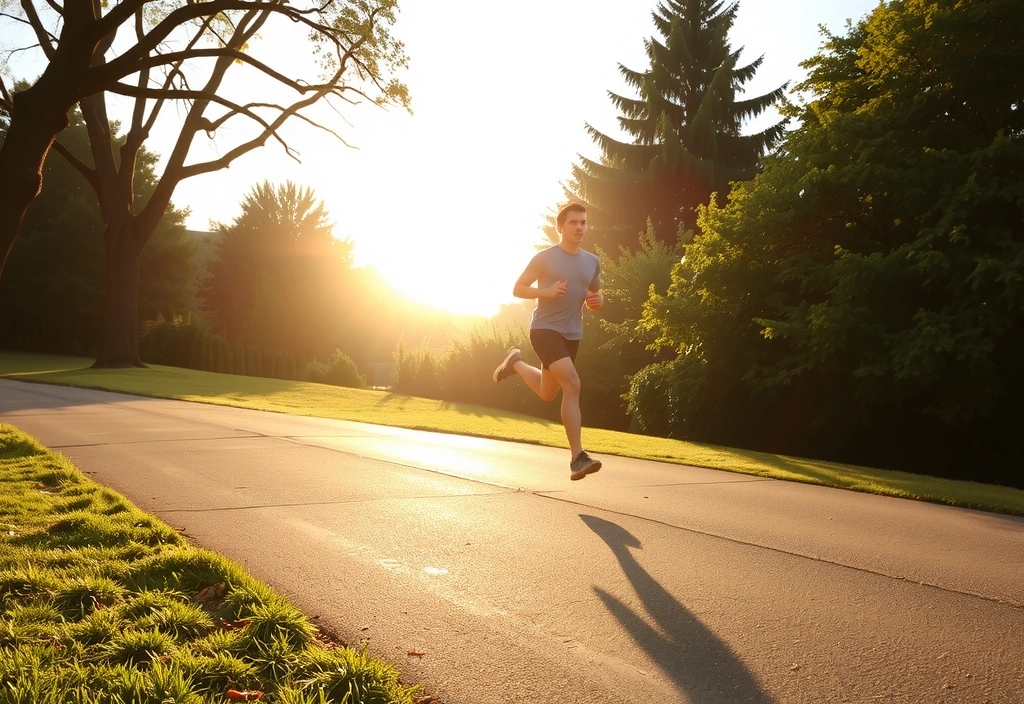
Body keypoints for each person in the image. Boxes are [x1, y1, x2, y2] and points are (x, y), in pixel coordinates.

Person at [493, 203, 604, 480]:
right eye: (574, 223)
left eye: (584, 222)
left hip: (572, 334)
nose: (580, 227)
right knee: (573, 384)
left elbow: (596, 296)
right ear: (561, 227)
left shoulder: (592, 261)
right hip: (544, 330)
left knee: (547, 393)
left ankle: (515, 362)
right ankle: (577, 458)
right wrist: (546, 291)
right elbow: (518, 288)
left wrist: (598, 301)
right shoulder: (545, 258)